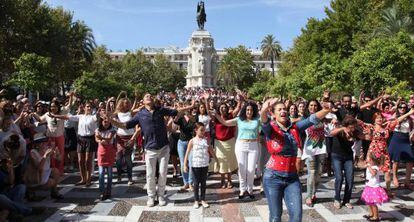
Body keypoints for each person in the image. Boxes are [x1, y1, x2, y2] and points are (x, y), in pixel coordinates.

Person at [107, 93, 194, 207]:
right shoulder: (140, 114)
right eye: (147, 96)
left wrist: (190, 106)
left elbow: (176, 110)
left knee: (162, 173)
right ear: (143, 101)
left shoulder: (160, 110)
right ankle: (151, 196)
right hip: (150, 148)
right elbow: (125, 125)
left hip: (163, 147)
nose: (149, 97)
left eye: (151, 96)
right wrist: (111, 121)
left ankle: (161, 195)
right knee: (150, 174)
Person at [260, 98, 331, 222]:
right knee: (276, 217)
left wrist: (326, 109)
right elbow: (264, 121)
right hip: (273, 178)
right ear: (274, 114)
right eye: (279, 109)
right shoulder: (270, 129)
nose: (283, 111)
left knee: (297, 216)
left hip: (292, 178)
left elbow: (312, 119)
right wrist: (264, 109)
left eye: (284, 109)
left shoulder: (295, 127)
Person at [214, 101, 260, 199]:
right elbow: (225, 123)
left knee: (251, 169)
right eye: (247, 110)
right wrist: (216, 114)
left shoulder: (257, 120)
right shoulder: (239, 119)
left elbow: (261, 129)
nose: (249, 112)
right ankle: (242, 190)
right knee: (242, 169)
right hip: (241, 145)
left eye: (251, 110)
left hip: (253, 145)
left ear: (254, 111)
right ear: (244, 111)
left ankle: (250, 190)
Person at [50, 102, 98, 187]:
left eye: (90, 107)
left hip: (90, 139)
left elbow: (101, 116)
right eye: (87, 106)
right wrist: (55, 116)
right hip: (80, 139)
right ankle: (83, 179)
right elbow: (67, 117)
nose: (89, 108)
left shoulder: (93, 117)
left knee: (88, 161)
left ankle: (88, 179)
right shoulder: (80, 117)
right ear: (84, 108)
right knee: (80, 161)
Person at [183, 122, 216, 209]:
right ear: (196, 130)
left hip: (204, 164)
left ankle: (203, 199)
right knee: (196, 183)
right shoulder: (192, 141)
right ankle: (196, 200)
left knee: (203, 183)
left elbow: (211, 150)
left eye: (204, 130)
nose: (203, 132)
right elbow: (187, 153)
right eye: (201, 130)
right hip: (195, 165)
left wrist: (217, 160)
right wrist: (185, 164)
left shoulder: (206, 140)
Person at [301, 100, 327, 207]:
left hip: (321, 149)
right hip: (310, 150)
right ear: (308, 107)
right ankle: (308, 196)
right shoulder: (305, 119)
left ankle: (314, 194)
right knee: (311, 173)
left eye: (315, 105)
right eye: (311, 105)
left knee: (318, 174)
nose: (313, 107)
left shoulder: (322, 117)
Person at [388, 105, 414, 188]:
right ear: (398, 109)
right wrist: (409, 113)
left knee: (410, 160)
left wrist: (412, 134)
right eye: (400, 107)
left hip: (405, 139)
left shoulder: (410, 119)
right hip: (396, 138)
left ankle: (407, 181)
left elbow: (412, 128)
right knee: (396, 160)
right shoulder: (395, 115)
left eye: (404, 107)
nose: (402, 109)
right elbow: (397, 121)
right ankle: (395, 177)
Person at [361, 152, 389, 221]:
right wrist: (361, 160)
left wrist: (369, 166)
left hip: (374, 188)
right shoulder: (369, 165)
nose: (367, 159)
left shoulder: (375, 167)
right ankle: (371, 214)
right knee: (369, 202)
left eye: (368, 158)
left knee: (373, 203)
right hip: (369, 186)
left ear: (372, 160)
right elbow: (360, 166)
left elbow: (373, 173)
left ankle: (376, 216)